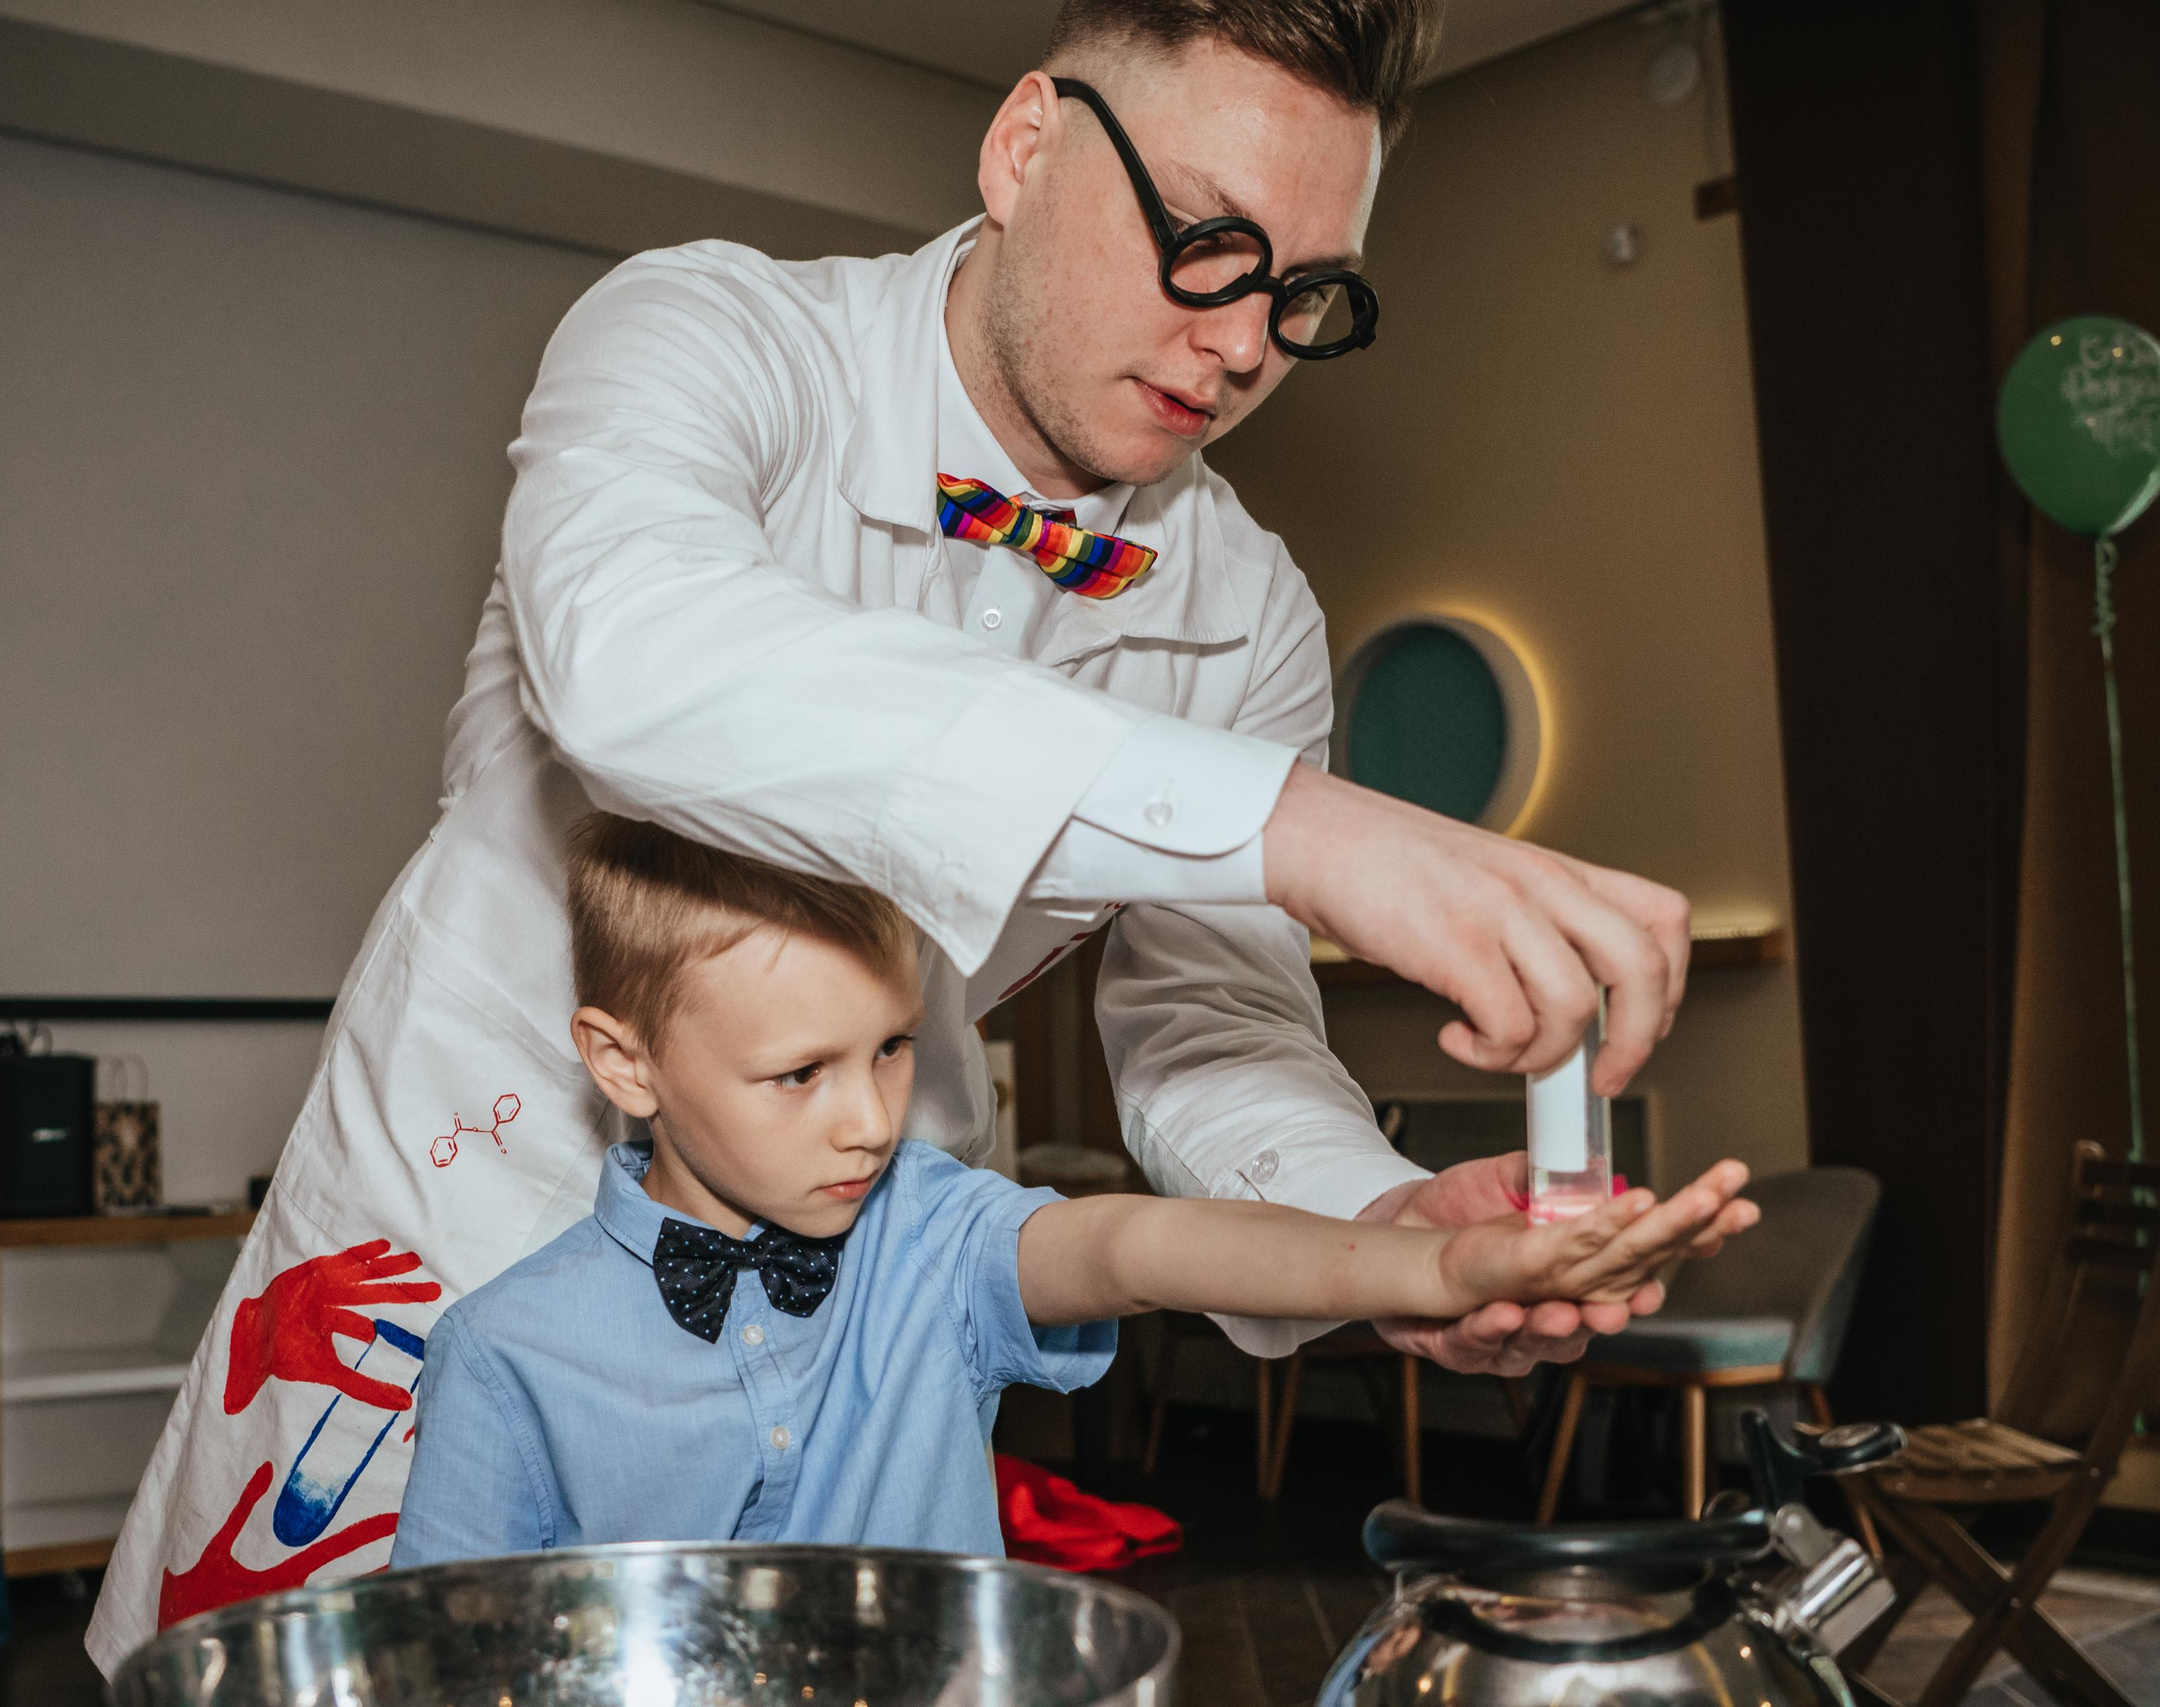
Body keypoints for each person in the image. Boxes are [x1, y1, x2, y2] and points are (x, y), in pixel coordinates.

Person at [91, 0, 1722, 1670]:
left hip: (859, 1274)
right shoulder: (709, 336)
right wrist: (1292, 825)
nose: (1246, 346)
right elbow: (633, 656)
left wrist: (1379, 1237)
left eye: (1303, 292)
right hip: (461, 1226)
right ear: (1026, 147)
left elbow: (1213, 1030)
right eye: (1208, 244)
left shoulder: (1246, 612)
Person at [389, 819, 1752, 1564]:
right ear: (623, 1062)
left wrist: (1434, 1272)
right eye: (799, 1075)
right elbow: (451, 1663)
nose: (870, 1121)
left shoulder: (922, 1228)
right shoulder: (505, 1351)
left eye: (890, 1051)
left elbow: (1136, 1248)